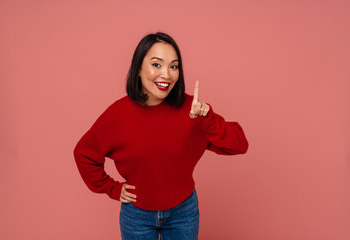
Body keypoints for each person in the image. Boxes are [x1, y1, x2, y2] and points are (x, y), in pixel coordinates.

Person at [73, 32, 249, 240]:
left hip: (184, 212)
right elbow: (84, 153)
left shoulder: (194, 110)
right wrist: (111, 188)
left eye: (173, 66)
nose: (166, 74)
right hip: (137, 215)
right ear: (138, 68)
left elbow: (239, 145)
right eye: (157, 65)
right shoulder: (117, 115)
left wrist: (207, 119)